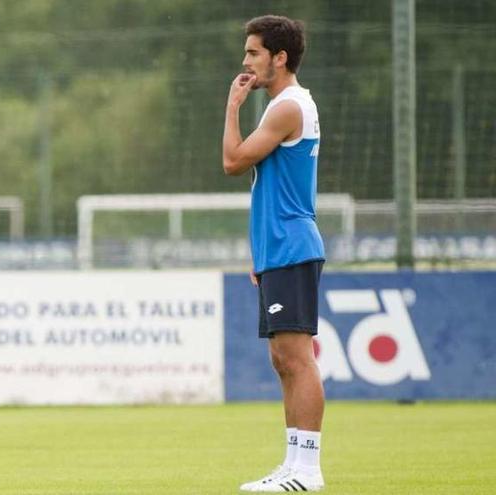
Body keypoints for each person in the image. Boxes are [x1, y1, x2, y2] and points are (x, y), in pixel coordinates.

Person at [222, 15, 326, 492]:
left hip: (292, 246)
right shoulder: (287, 104)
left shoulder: (287, 106)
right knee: (283, 360)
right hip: (277, 248)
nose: (246, 61)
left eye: (253, 52)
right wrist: (261, 253)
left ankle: (307, 471)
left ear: (279, 58)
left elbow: (233, 161)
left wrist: (231, 107)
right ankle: (292, 466)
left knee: (297, 358)